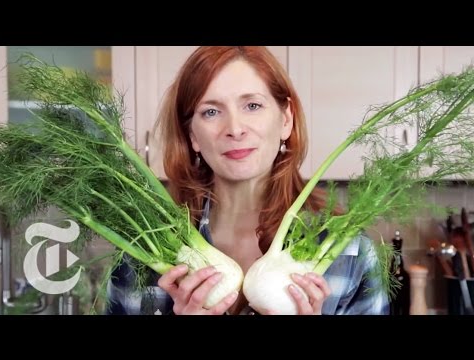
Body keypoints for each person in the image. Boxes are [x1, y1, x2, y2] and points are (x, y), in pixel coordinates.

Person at [106, 46, 389, 315]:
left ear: (286, 119)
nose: (235, 129)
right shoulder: (141, 253)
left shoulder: (349, 251)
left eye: (252, 105)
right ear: (192, 135)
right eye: (211, 112)